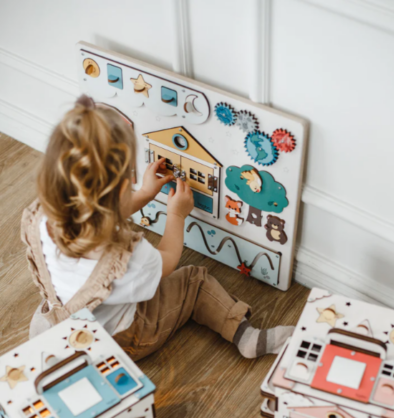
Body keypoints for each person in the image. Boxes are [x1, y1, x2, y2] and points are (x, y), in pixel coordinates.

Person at [21, 95, 294, 361]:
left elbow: (99, 211)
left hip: (61, 326)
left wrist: (144, 195)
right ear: (121, 185)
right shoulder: (126, 255)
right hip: (124, 340)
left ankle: (56, 354)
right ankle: (246, 337)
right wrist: (176, 215)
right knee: (195, 281)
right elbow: (167, 262)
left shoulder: (42, 217)